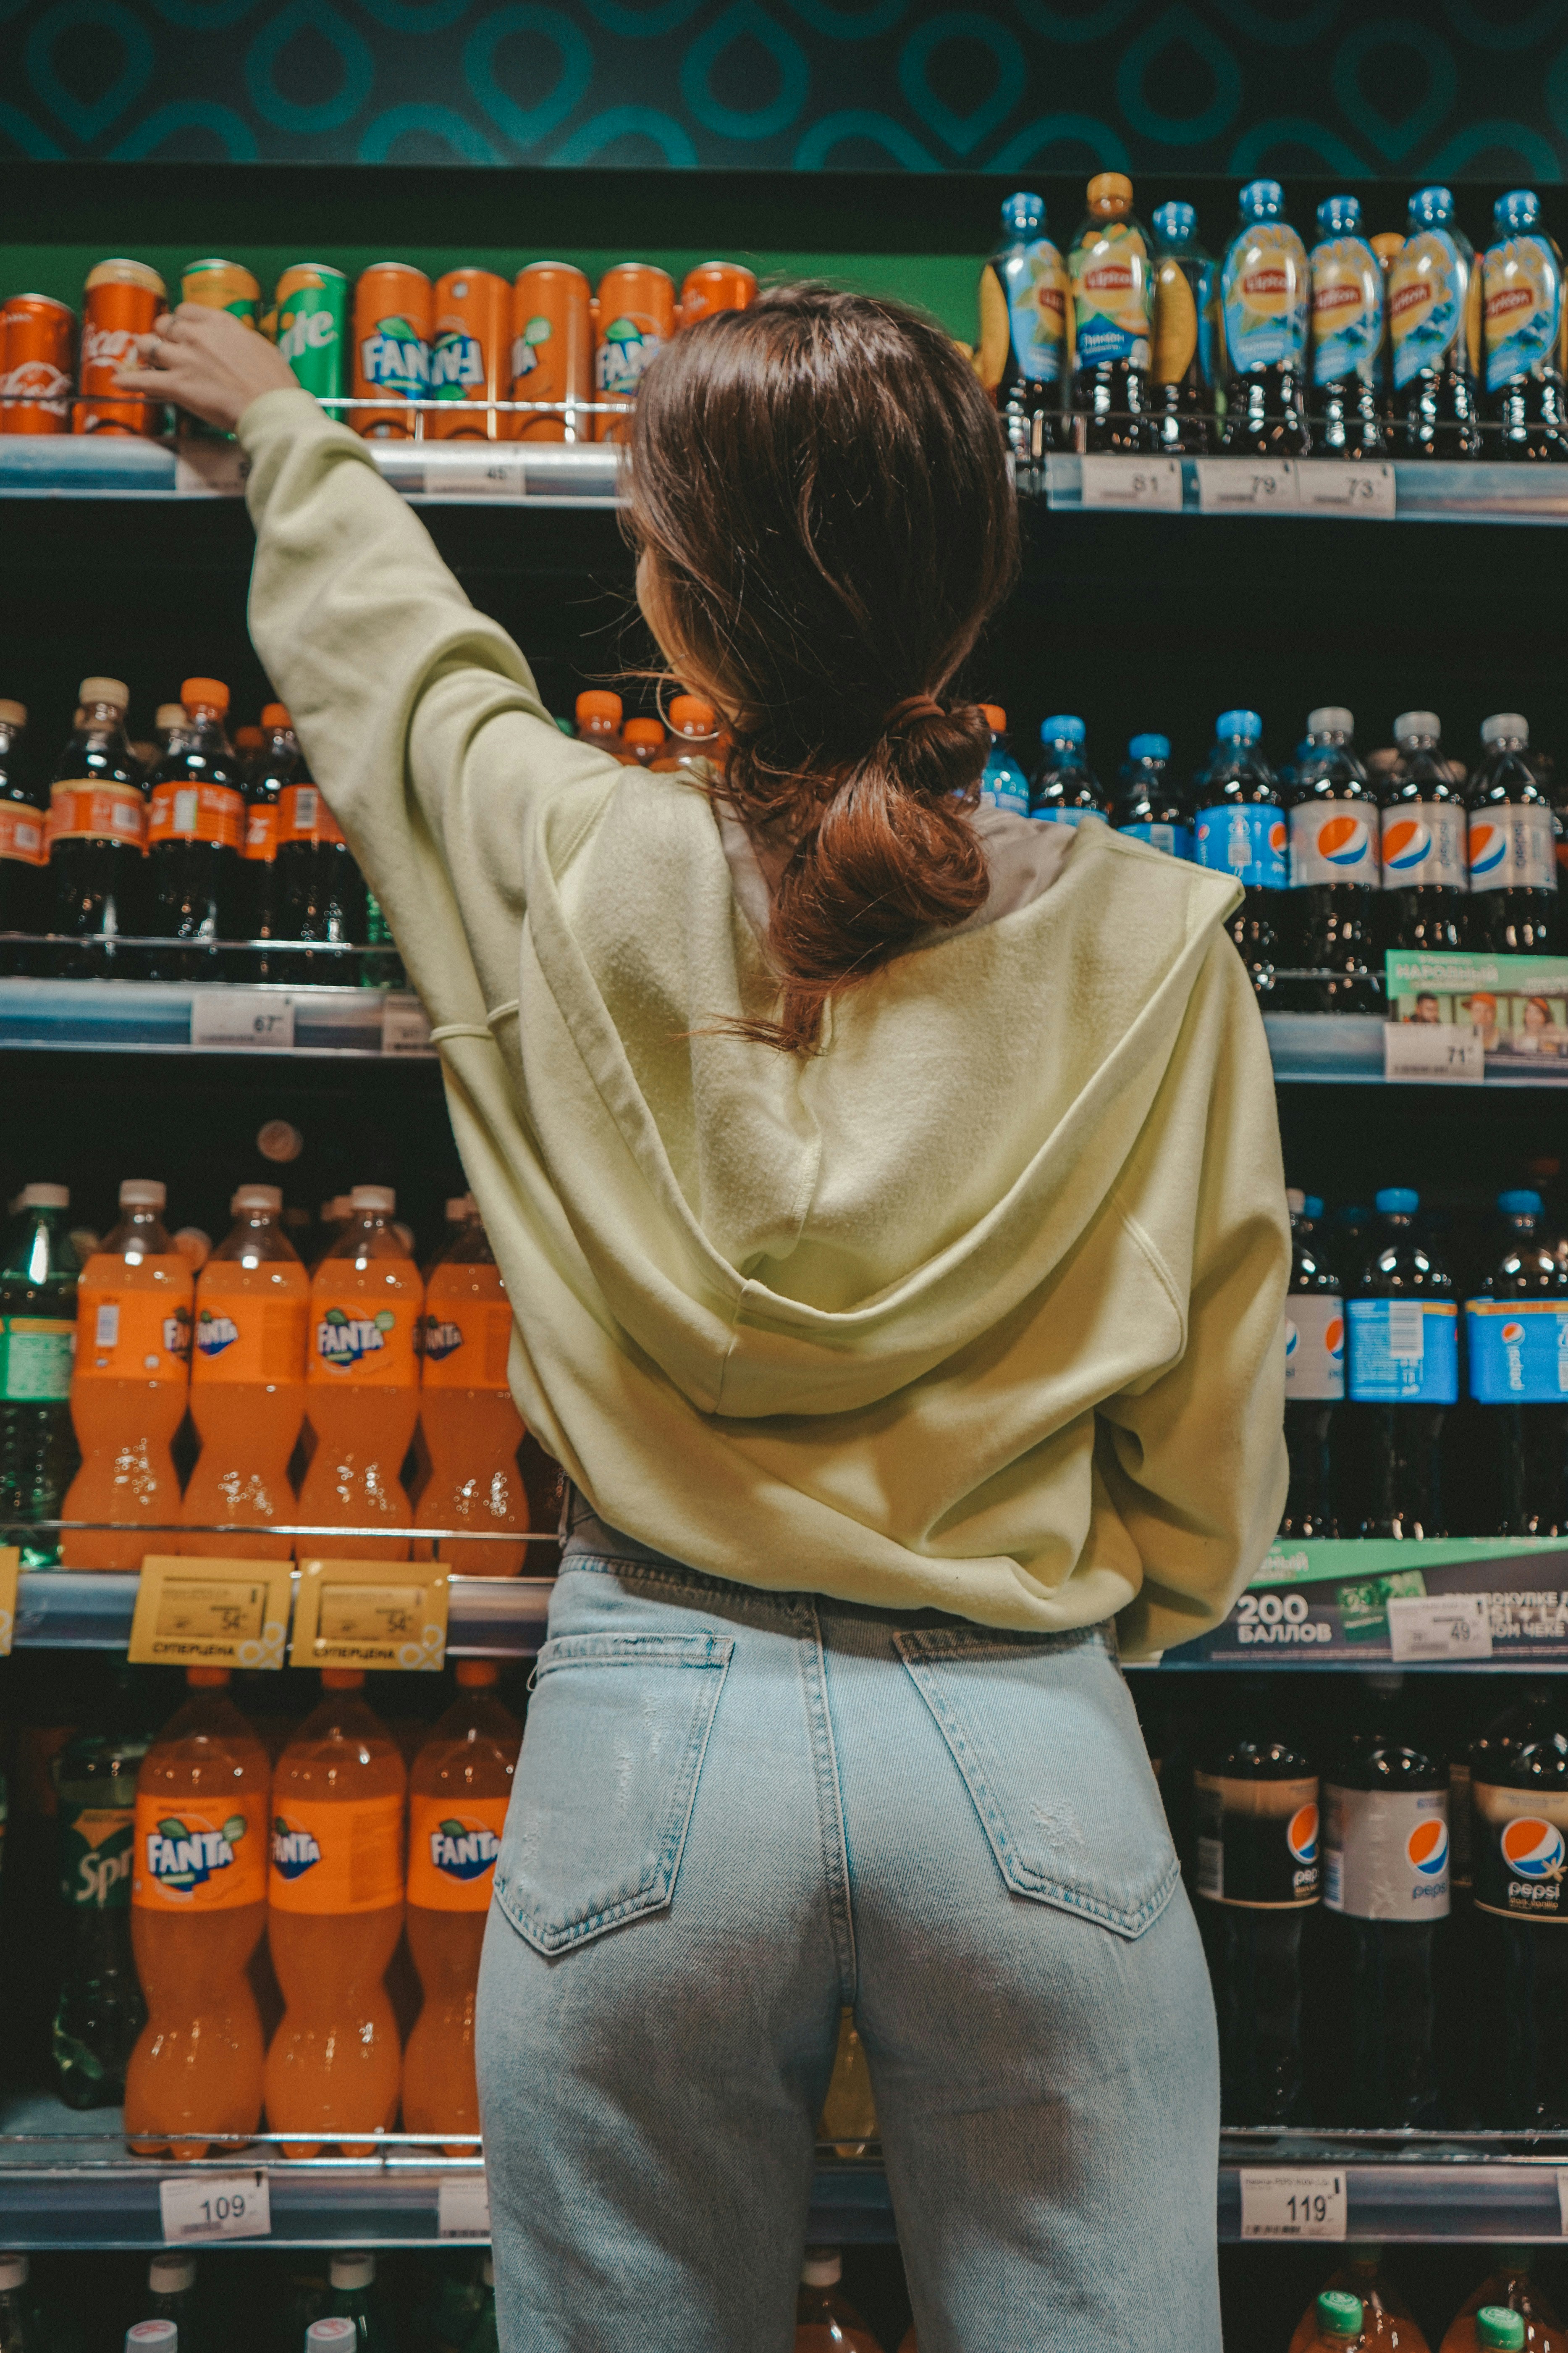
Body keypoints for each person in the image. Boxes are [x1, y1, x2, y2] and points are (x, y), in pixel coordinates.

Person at [119, 294, 1289, 2353]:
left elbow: (403, 678)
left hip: (649, 1722)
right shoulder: (1152, 942)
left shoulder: (571, 864)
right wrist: (1131, 1612)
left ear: (669, 604)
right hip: (1028, 1744)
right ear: (972, 595)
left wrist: (291, 441)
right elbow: (1209, 1438)